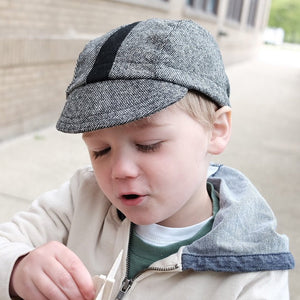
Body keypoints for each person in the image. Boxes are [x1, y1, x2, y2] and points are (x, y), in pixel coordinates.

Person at [0, 19, 294, 300]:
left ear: (216, 130)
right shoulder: (82, 198)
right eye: (100, 150)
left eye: (148, 145)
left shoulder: (254, 270)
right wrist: (18, 267)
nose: (120, 170)